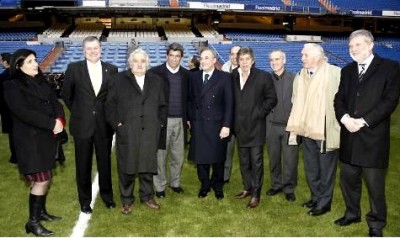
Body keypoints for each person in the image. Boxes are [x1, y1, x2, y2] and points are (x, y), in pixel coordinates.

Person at [333, 29, 400, 237]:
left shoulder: (390, 68)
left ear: (370, 45)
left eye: (358, 45)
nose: (353, 49)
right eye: (350, 46)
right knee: (349, 181)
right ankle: (352, 213)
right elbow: (339, 100)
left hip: (373, 139)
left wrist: (362, 121)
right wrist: (345, 119)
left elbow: (389, 102)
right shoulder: (347, 71)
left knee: (375, 187)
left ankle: (376, 224)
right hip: (349, 137)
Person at [4, 49, 65, 236]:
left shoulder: (41, 80)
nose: (35, 64)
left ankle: (41, 212)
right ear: (19, 66)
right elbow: (23, 112)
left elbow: (56, 103)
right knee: (42, 180)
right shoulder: (11, 85)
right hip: (30, 141)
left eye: (35, 60)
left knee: (46, 177)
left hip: (47, 137)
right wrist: (51, 123)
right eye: (29, 62)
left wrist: (60, 121)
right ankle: (33, 222)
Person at [105, 47, 167, 215]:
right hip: (128, 131)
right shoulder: (118, 80)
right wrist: (118, 124)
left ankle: (147, 196)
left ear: (147, 63)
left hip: (150, 131)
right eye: (135, 61)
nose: (139, 64)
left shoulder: (156, 80)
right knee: (127, 166)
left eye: (142, 61)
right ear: (130, 63)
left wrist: (159, 124)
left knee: (147, 165)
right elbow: (109, 105)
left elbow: (162, 105)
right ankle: (126, 200)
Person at [62, 36, 118, 214]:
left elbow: (113, 98)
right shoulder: (73, 69)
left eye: (95, 48)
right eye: (89, 48)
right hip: (82, 126)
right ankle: (85, 201)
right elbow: (66, 96)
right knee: (83, 166)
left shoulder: (112, 69)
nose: (93, 51)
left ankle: (107, 197)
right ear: (83, 50)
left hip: (104, 126)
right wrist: (80, 112)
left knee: (105, 164)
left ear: (100, 49)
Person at [286, 43, 341, 216]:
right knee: (311, 167)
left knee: (326, 169)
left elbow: (342, 100)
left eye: (305, 55)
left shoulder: (334, 72)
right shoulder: (301, 74)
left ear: (317, 57)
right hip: (306, 129)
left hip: (325, 129)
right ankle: (316, 197)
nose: (302, 58)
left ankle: (325, 203)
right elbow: (295, 99)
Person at [232, 47, 277, 208]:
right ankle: (247, 188)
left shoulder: (263, 76)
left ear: (253, 60)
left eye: (247, 59)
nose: (244, 62)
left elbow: (272, 99)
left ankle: (256, 195)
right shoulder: (233, 76)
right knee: (244, 161)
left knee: (256, 162)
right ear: (238, 61)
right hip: (239, 127)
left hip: (256, 127)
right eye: (241, 59)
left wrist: (259, 113)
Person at [188, 47, 233, 200]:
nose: (203, 61)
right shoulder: (194, 77)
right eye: (202, 58)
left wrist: (226, 125)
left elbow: (229, 103)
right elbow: (190, 100)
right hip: (199, 124)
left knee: (218, 158)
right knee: (201, 159)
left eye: (207, 58)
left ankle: (217, 185)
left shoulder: (224, 78)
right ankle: (205, 184)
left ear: (214, 60)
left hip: (217, 125)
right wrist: (190, 118)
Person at [149, 43, 190, 198]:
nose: (174, 59)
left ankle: (175, 183)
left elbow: (190, 99)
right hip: (162, 121)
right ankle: (159, 186)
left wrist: (189, 118)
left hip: (180, 120)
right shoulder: (155, 73)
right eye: (171, 56)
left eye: (177, 56)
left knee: (178, 155)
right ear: (167, 56)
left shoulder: (186, 75)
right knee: (160, 155)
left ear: (181, 57)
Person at [265, 49, 299, 202]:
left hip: (289, 127)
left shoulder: (294, 79)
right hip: (271, 126)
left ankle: (289, 188)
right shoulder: (265, 79)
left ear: (284, 61)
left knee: (290, 160)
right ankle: (276, 184)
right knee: (273, 159)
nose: (274, 62)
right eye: (271, 60)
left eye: (277, 59)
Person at [220, 45, 240, 184]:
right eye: (232, 54)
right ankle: (224, 177)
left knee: (246, 153)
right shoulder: (223, 70)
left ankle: (249, 181)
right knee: (226, 150)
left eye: (237, 54)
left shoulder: (247, 72)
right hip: (227, 118)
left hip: (242, 118)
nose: (234, 56)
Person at [0, 52, 17, 164]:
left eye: (1, 60)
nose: (0, 62)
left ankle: (15, 157)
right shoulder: (20, 74)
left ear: (5, 61)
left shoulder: (2, 77)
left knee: (12, 135)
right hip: (22, 109)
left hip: (8, 109)